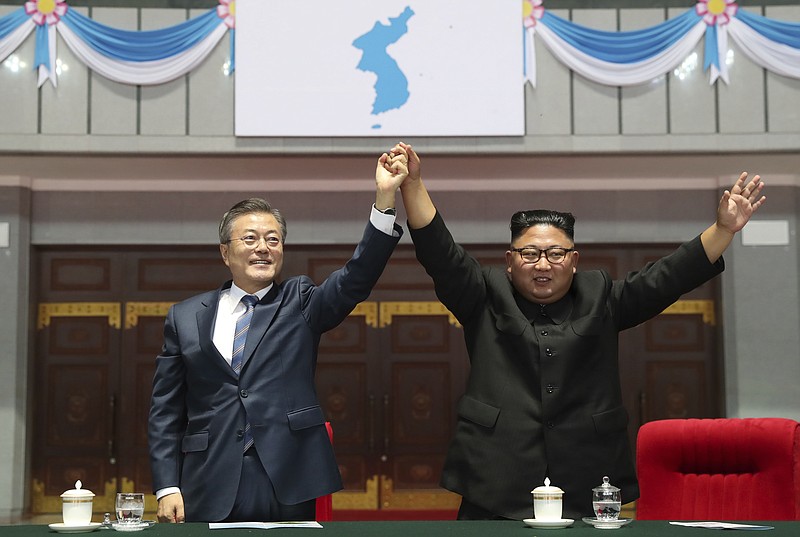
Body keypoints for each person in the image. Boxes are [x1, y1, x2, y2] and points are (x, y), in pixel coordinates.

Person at [390, 142, 766, 520]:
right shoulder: (484, 294)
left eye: (555, 254)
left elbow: (665, 279)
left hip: (589, 477)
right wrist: (413, 184)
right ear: (509, 261)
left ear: (573, 260)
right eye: (530, 253)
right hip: (494, 479)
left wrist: (722, 230)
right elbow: (440, 253)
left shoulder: (599, 295)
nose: (543, 264)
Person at [148, 150, 409, 523]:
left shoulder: (299, 300)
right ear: (226, 252)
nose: (263, 248)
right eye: (250, 238)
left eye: (273, 239)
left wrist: (385, 201)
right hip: (207, 474)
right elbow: (165, 409)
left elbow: (356, 278)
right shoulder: (186, 316)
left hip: (287, 472)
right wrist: (166, 485)